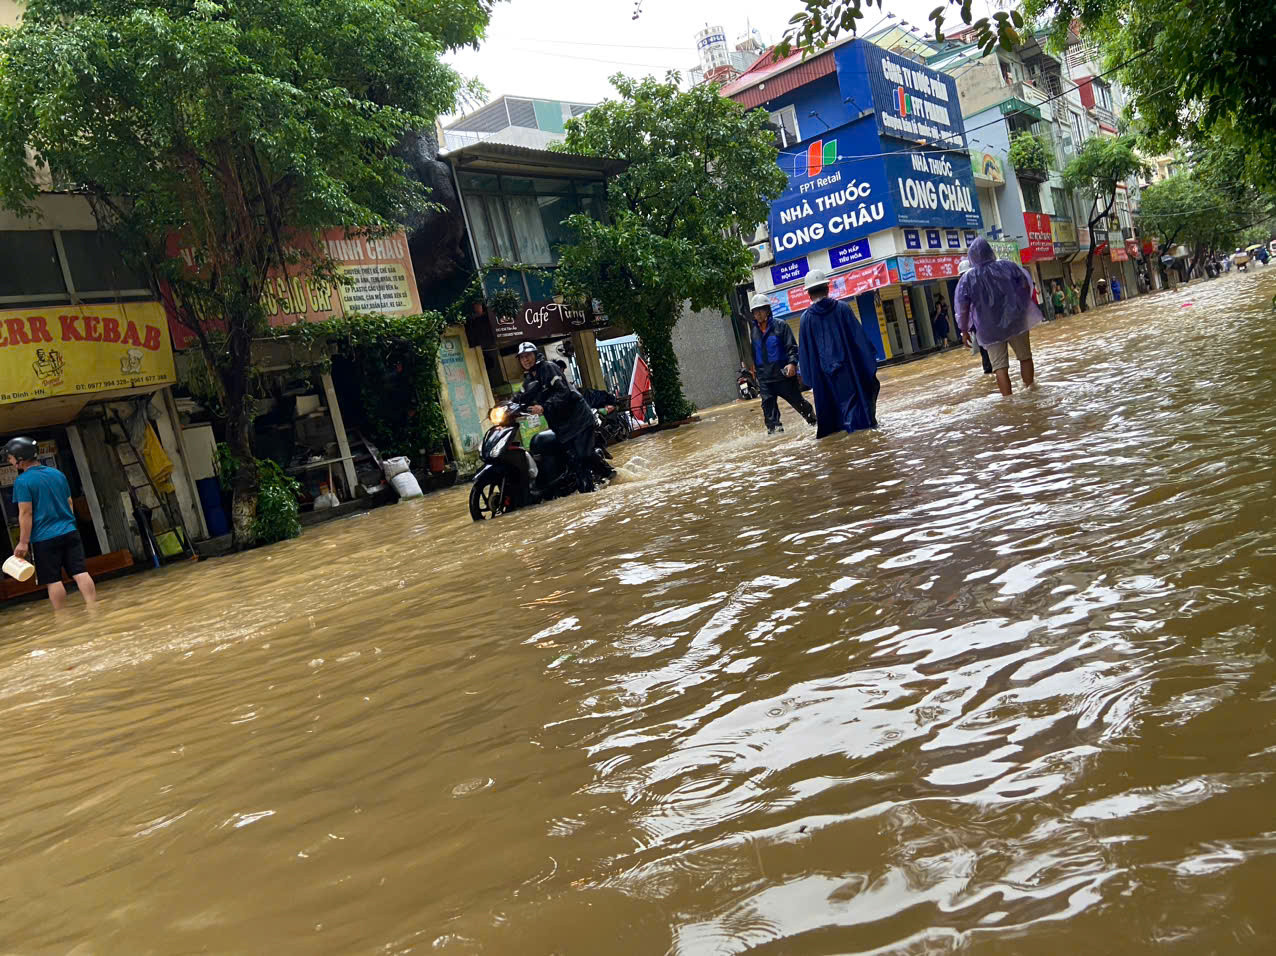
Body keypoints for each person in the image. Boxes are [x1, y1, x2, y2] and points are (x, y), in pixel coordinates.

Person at [4, 436, 97, 610]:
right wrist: (68, 523)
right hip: (69, 531)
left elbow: (26, 512)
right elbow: (69, 502)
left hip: (44, 538)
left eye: (10, 458)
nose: (9, 461)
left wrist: (23, 542)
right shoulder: (57, 473)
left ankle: (62, 619)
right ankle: (93, 608)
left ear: (20, 459)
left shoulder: (22, 481)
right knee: (80, 572)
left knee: (53, 580)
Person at [955, 237, 1044, 398]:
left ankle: (1008, 400)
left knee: (999, 367)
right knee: (1025, 357)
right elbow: (1025, 285)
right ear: (991, 251)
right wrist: (1022, 308)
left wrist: (964, 330)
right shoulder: (1008, 266)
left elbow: (963, 308)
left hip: (989, 328)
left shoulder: (967, 280)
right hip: (1016, 321)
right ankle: (1031, 391)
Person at [796, 270, 881, 437]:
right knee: (856, 413)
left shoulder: (806, 319)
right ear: (827, 288)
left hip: (823, 379)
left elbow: (805, 355)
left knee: (832, 418)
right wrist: (868, 366)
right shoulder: (843, 309)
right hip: (849, 374)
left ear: (809, 295)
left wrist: (809, 379)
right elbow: (860, 342)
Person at [516, 342, 601, 493]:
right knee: (574, 457)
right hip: (561, 425)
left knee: (582, 457)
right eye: (522, 357)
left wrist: (543, 406)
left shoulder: (548, 368)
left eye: (528, 355)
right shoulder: (529, 379)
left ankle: (591, 491)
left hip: (578, 419)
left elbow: (563, 392)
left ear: (535, 355)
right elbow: (520, 397)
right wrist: (504, 408)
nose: (525, 360)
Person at [747, 293, 816, 434]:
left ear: (767, 310)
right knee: (769, 411)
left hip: (783, 377)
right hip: (765, 380)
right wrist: (757, 377)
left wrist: (792, 364)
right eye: (755, 311)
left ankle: (814, 422)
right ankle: (776, 437)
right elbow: (755, 354)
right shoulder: (753, 332)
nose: (758, 314)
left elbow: (792, 347)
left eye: (761, 310)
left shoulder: (781, 326)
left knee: (799, 403)